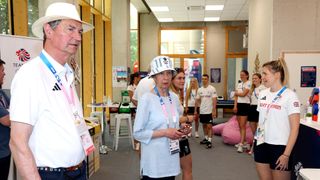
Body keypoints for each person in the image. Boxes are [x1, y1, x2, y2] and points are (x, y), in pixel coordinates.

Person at [9, 2, 94, 179]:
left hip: (78, 170)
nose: (78, 38)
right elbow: (18, 142)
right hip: (51, 174)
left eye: (79, 32)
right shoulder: (31, 74)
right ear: (48, 30)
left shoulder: (67, 72)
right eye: (70, 29)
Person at [134, 56, 190, 180]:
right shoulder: (146, 99)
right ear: (154, 76)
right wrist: (165, 132)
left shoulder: (174, 98)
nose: (165, 77)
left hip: (171, 160)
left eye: (168, 73)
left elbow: (171, 122)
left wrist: (181, 128)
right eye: (161, 74)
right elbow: (137, 133)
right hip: (154, 163)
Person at [254, 59, 300, 180]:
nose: (262, 77)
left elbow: (295, 129)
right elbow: (261, 121)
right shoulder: (262, 94)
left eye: (265, 74)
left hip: (280, 147)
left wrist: (286, 154)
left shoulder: (290, 96)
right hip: (261, 143)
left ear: (277, 75)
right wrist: (256, 141)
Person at [170, 68, 193, 180]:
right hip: (175, 139)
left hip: (178, 136)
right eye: (179, 78)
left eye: (184, 78)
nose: (182, 80)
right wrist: (187, 118)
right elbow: (173, 119)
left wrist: (184, 126)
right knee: (187, 170)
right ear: (172, 80)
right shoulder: (171, 96)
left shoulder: (176, 94)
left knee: (180, 170)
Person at [195, 74, 217, 149]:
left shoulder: (212, 89)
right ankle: (206, 138)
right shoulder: (199, 89)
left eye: (205, 79)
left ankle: (209, 141)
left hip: (209, 111)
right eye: (203, 79)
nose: (204, 80)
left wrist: (214, 110)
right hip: (202, 111)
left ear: (208, 80)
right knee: (204, 125)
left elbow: (214, 100)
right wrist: (197, 108)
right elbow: (197, 100)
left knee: (209, 126)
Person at [233, 70, 251, 153]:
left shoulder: (249, 83)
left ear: (247, 75)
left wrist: (236, 93)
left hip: (245, 105)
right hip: (239, 105)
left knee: (243, 125)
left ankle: (241, 144)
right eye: (240, 75)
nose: (241, 76)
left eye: (243, 75)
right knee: (240, 125)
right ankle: (244, 142)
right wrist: (235, 106)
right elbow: (235, 97)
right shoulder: (239, 84)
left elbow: (244, 94)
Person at [247, 73, 265, 154]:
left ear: (260, 79)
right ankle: (255, 146)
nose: (254, 80)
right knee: (254, 131)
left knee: (259, 130)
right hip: (252, 109)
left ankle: (257, 149)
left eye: (256, 78)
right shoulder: (252, 89)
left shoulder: (263, 88)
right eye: (253, 78)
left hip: (260, 109)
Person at [0, 59, 11, 180]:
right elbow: (6, 120)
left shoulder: (2, 93)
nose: (4, 73)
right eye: (2, 70)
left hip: (6, 152)